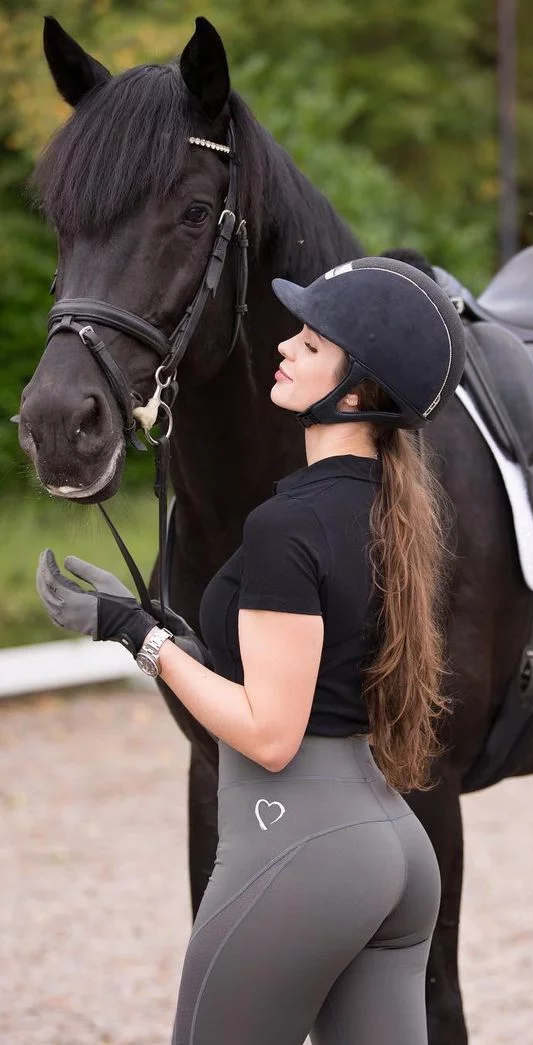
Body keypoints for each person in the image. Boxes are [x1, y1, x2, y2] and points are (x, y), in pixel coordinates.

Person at [36, 256, 466, 1045]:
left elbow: (271, 731)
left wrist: (138, 634)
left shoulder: (287, 525)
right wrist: (157, 623)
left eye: (312, 341)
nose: (288, 347)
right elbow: (310, 668)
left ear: (358, 389)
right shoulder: (391, 514)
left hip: (299, 844)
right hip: (395, 850)